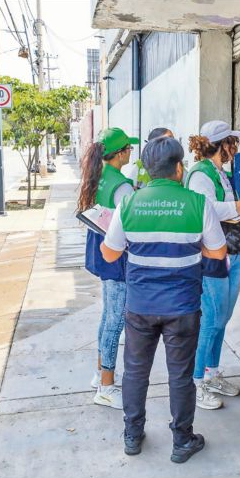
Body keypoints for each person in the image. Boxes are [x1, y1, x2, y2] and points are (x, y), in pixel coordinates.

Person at [101, 137, 227, 463]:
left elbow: (109, 252)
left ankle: (132, 434)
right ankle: (182, 441)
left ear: (148, 169)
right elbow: (218, 251)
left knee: (135, 372)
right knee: (181, 376)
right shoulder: (198, 204)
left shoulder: (128, 205)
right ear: (179, 168)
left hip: (140, 306)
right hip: (183, 307)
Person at [186, 121, 240, 410]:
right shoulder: (200, 174)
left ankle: (211, 373)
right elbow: (208, 209)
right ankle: (195, 383)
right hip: (213, 255)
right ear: (222, 144)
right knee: (210, 320)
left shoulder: (220, 171)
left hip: (231, 253)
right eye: (232, 142)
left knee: (222, 318)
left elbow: (228, 209)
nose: (236, 148)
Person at [79, 127, 139, 409]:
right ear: (121, 153)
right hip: (116, 257)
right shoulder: (122, 185)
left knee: (107, 315)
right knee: (116, 320)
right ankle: (106, 387)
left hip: (100, 253)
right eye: (129, 148)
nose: (131, 152)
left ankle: (100, 371)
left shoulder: (99, 177)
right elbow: (129, 227)